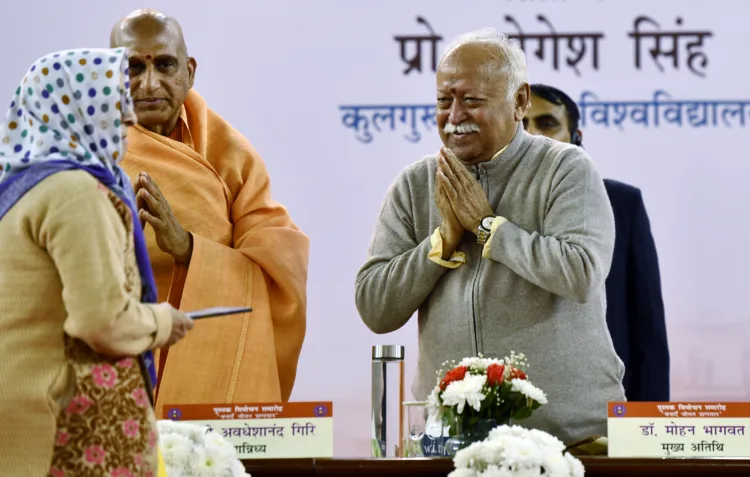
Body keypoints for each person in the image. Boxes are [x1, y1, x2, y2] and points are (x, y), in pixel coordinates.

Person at [355, 28, 626, 444]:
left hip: (567, 439)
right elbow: (375, 307)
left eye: (472, 100)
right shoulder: (415, 184)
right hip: (449, 441)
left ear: (519, 101)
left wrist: (488, 228)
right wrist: (441, 242)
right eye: (444, 101)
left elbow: (582, 272)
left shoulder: (565, 169)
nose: (455, 115)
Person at [0, 47, 192, 476]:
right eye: (112, 109)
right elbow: (100, 320)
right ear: (77, 112)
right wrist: (161, 322)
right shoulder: (74, 192)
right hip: (67, 424)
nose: (126, 125)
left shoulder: (17, 186)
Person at [109, 9, 309, 413]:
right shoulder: (84, 153)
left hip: (206, 360)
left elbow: (279, 264)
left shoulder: (228, 153)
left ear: (190, 71)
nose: (149, 84)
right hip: (112, 361)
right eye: (132, 67)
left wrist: (187, 249)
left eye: (164, 65)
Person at [523, 83, 670, 401]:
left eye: (547, 123)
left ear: (576, 138)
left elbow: (648, 331)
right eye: (521, 124)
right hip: (514, 407)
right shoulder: (484, 213)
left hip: (606, 406)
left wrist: (646, 432)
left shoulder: (620, 203)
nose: (533, 135)